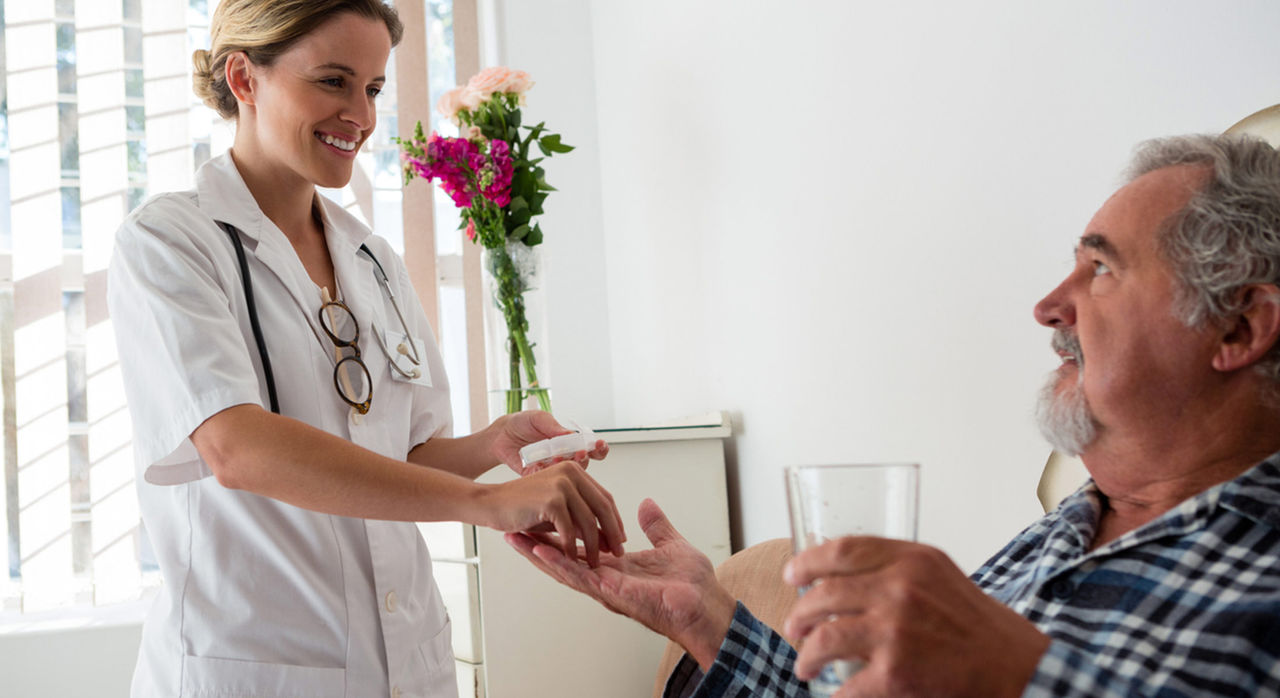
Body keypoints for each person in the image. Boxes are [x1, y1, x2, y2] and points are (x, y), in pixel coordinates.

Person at [507, 133, 1280, 697]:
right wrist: (708, 619)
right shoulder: (1061, 535)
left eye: (1102, 269)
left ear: (1239, 328)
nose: (1049, 307)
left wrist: (1017, 674)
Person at [107, 2, 624, 696]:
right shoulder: (170, 242)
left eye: (374, 88)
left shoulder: (370, 255)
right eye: (333, 81)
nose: (363, 115)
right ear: (244, 78)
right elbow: (237, 448)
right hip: (258, 666)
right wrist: (482, 502)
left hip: (405, 662)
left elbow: (401, 449)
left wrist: (492, 443)